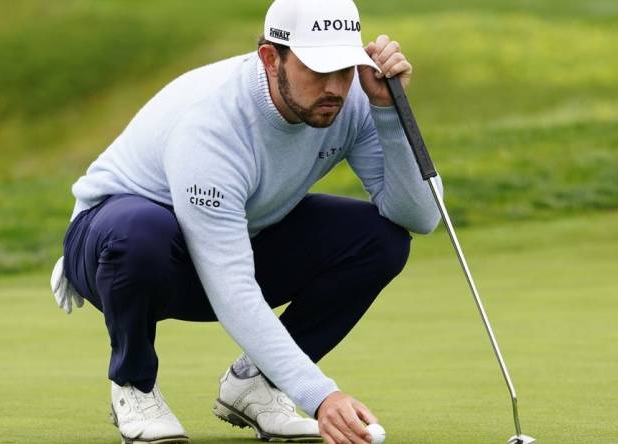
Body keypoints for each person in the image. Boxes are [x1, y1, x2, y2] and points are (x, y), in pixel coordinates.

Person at [50, 0, 443, 442]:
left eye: (345, 69)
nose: (335, 87)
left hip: (233, 236)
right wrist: (320, 395)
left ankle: (256, 383)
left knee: (382, 239)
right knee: (139, 233)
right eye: (318, 70)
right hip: (112, 247)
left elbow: (421, 216)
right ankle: (134, 384)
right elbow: (230, 283)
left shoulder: (352, 102)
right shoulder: (213, 123)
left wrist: (391, 112)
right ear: (270, 58)